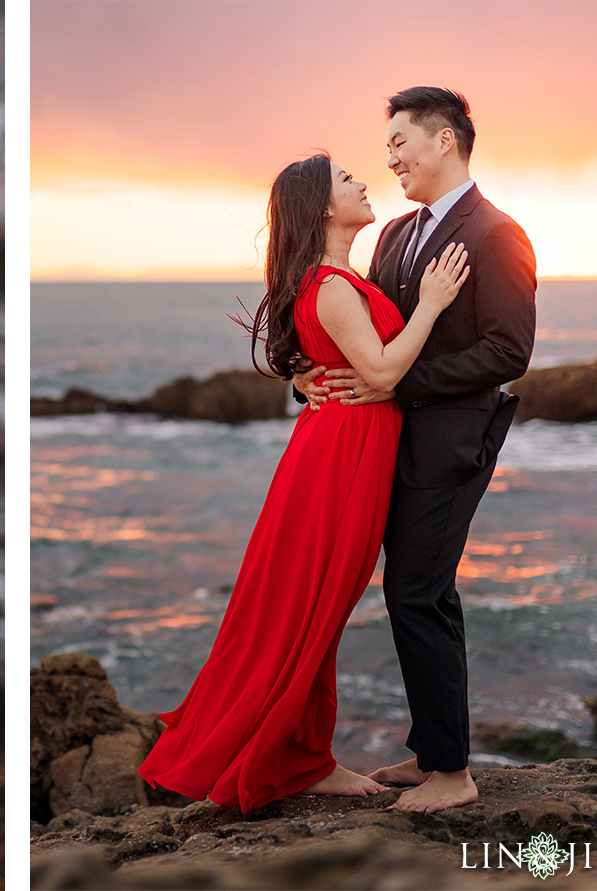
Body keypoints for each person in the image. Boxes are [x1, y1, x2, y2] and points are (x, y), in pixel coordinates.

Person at [135, 152, 470, 814]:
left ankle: (304, 756)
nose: (364, 182)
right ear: (321, 207)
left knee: (317, 610)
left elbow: (324, 356)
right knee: (311, 610)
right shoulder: (334, 285)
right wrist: (431, 306)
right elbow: (381, 371)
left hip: (341, 450)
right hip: (340, 463)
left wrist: (301, 375)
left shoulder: (339, 279)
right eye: (348, 180)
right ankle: (293, 759)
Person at [293, 87, 536, 812]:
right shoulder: (394, 235)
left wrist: (401, 387)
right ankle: (433, 750)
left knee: (416, 591)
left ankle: (453, 775)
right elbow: (361, 333)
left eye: (402, 141)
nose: (391, 156)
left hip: (453, 446)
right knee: (418, 592)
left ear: (445, 142)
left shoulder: (499, 233)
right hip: (391, 446)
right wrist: (303, 374)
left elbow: (508, 350)